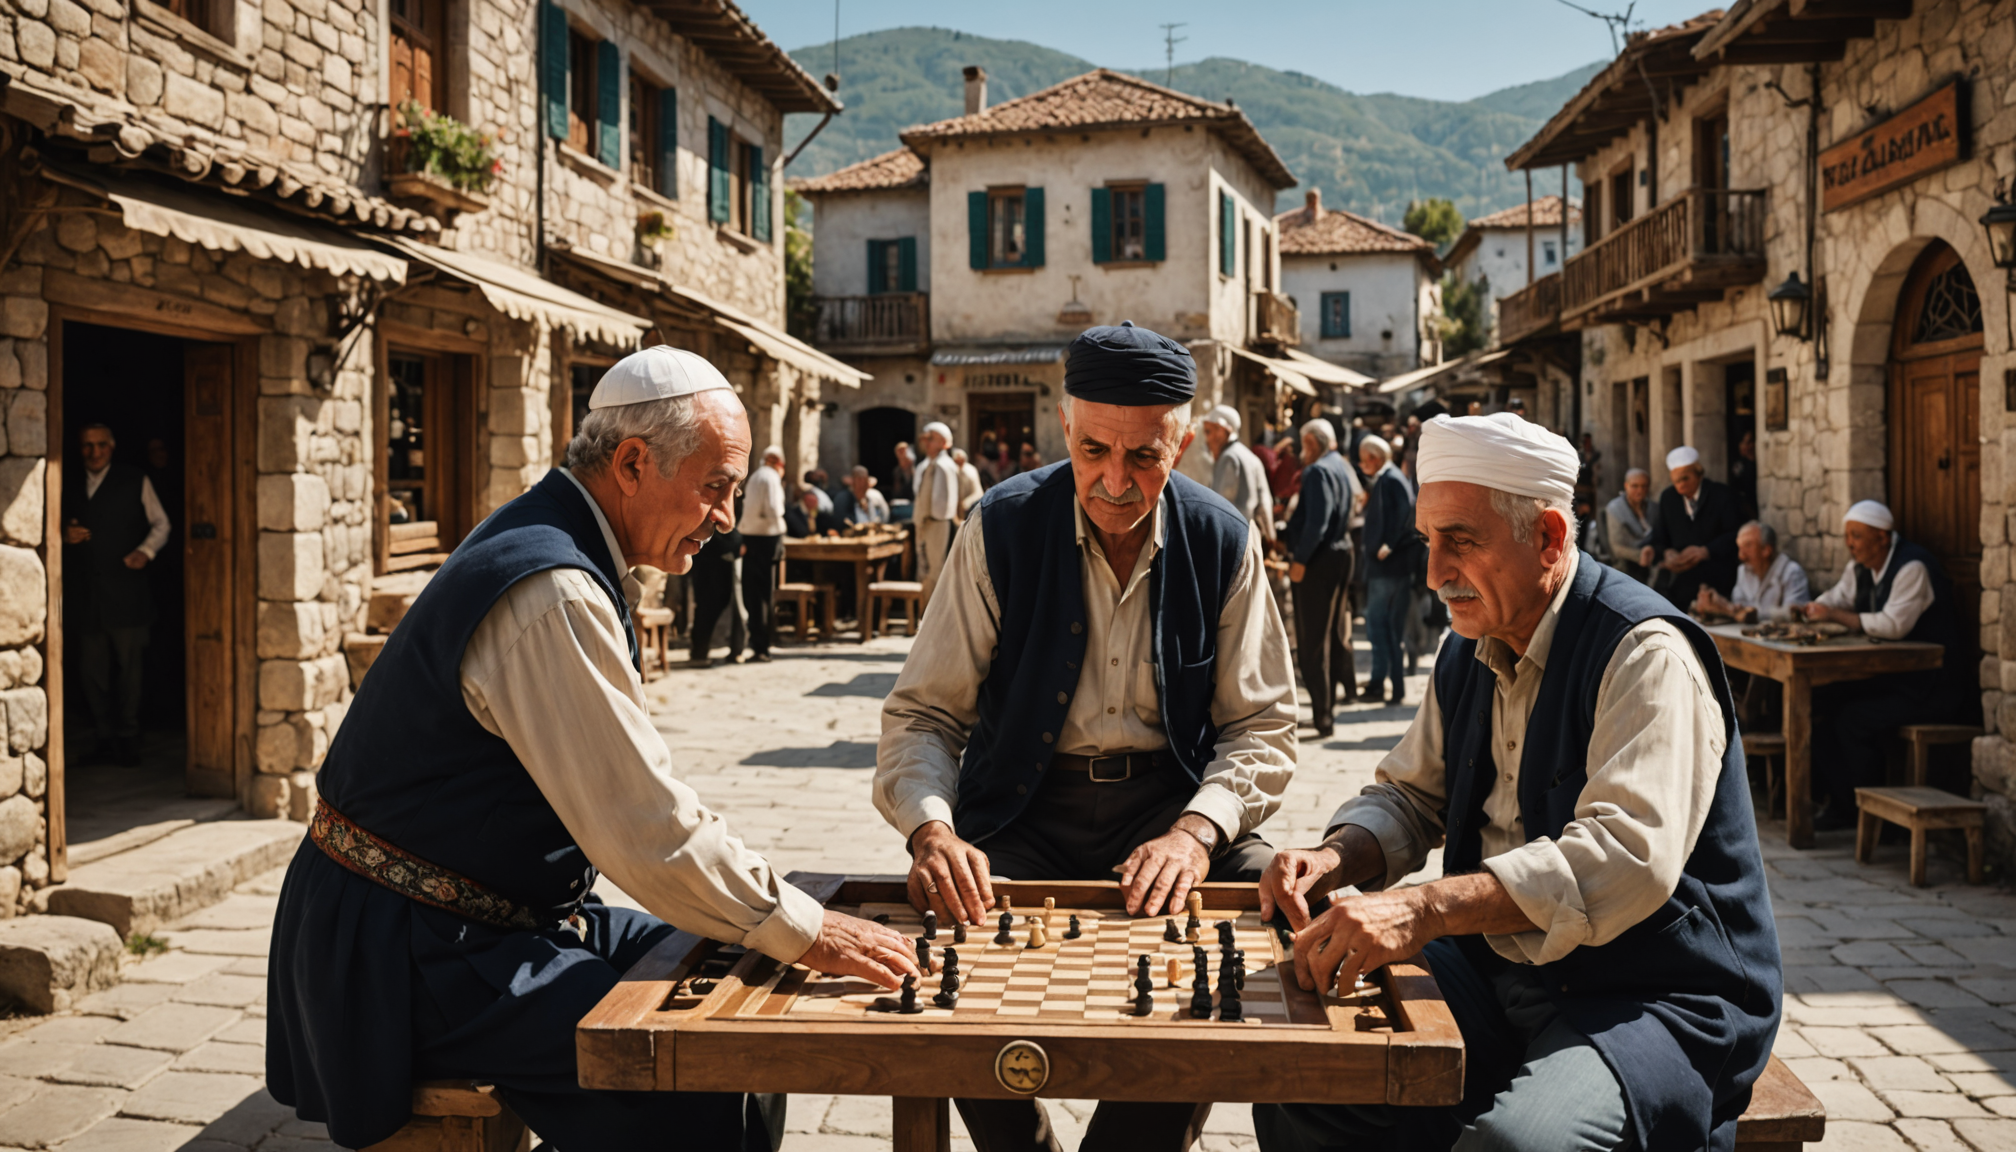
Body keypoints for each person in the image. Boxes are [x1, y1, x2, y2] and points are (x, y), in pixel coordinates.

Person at [268, 346, 917, 1151]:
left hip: (493, 917)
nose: (725, 515)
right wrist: (810, 927)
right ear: (634, 462)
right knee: (691, 1082)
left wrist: (773, 928)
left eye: (733, 491)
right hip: (412, 948)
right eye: (713, 487)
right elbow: (647, 831)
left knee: (742, 985)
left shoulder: (557, 537)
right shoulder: (555, 592)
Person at [1254, 412, 1780, 1152]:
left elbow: (1624, 857)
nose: (1435, 572)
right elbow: (1411, 794)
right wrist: (1338, 853)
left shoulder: (1643, 653)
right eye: (1429, 541)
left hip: (1651, 992)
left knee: (1514, 1147)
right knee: (1305, 1077)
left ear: (1551, 539)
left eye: (1460, 542)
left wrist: (1425, 908)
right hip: (1496, 966)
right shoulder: (1469, 644)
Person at [878, 322, 1294, 1152]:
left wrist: (1196, 831)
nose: (1114, 480)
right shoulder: (998, 526)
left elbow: (1263, 726)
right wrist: (932, 828)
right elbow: (924, 714)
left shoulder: (1222, 539)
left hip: (1170, 813)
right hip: (1022, 813)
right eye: (1095, 448)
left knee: (1279, 913)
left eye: (1145, 457)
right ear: (1064, 429)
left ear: (1184, 443)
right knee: (944, 950)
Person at [1803, 500, 1973, 831]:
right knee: (1818, 703)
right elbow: (1835, 597)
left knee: (1853, 720)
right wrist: (1812, 609)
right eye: (1847, 536)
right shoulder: (1860, 567)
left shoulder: (1913, 567)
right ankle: (1841, 801)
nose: (1850, 543)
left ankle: (1873, 819)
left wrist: (1835, 616)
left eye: (1857, 536)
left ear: (1882, 537)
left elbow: (1893, 625)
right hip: (1894, 679)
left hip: (1931, 687)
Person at [64, 423, 171, 766]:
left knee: (130, 671)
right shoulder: (66, 483)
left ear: (111, 447)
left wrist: (146, 552)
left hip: (127, 595)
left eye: (100, 445)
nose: (94, 453)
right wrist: (64, 534)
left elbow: (161, 524)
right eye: (87, 446)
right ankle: (103, 737)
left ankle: (128, 736)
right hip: (86, 598)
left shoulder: (134, 479)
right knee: (91, 671)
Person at [1285, 418, 1360, 737]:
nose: (1303, 451)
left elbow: (1317, 521)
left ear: (1313, 443)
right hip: (1342, 553)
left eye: (1305, 444)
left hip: (1320, 559)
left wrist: (1300, 559)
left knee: (1312, 640)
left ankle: (1323, 716)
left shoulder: (1317, 470)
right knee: (1329, 633)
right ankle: (1325, 711)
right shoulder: (1341, 465)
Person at [1641, 446, 1743, 610]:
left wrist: (1705, 551)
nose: (1680, 485)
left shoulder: (1721, 495)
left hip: (1717, 576)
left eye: (1685, 479)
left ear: (1698, 474)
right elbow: (1660, 537)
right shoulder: (1669, 498)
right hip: (1681, 581)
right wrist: (1666, 552)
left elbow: (1735, 534)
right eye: (1676, 481)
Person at [1357, 435, 1418, 706]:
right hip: (1388, 568)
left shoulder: (1390, 478)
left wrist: (1388, 545)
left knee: (1381, 628)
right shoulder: (1389, 478)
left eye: (1363, 459)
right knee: (1384, 628)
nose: (1361, 464)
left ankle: (1384, 685)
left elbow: (1406, 515)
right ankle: (1384, 684)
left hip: (1389, 569)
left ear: (1375, 458)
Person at [1696, 520, 1809, 623]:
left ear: (1766, 550)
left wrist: (1751, 614)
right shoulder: (1743, 571)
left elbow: (1794, 613)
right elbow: (1738, 608)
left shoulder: (1792, 572)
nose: (1741, 556)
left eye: (1748, 546)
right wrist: (1720, 605)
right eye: (1739, 547)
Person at [737, 445, 787, 662]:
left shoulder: (756, 476)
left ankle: (760, 643)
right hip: (766, 539)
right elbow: (775, 509)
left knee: (754, 594)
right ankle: (763, 645)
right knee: (765, 594)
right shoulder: (771, 478)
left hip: (752, 539)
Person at [1201, 405, 1274, 541]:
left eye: (1208, 431)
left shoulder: (1229, 457)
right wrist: (1270, 537)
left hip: (1232, 536)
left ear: (1221, 431)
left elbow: (1220, 505)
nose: (1207, 439)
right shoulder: (1248, 455)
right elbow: (1265, 501)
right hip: (1249, 535)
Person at [685, 496, 742, 669]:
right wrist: (737, 545)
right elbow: (714, 536)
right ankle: (699, 652)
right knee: (707, 608)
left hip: (714, 564)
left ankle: (699, 651)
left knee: (709, 607)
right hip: (709, 566)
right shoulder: (710, 508)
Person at [912, 421, 960, 606]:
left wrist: (928, 520)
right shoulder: (931, 464)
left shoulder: (942, 465)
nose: (927, 443)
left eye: (931, 439)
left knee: (934, 571)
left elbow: (940, 504)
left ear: (942, 442)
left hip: (936, 523)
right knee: (927, 570)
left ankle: (934, 614)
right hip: (929, 523)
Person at [1603, 468, 1658, 583]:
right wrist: (1640, 555)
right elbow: (1616, 547)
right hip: (1627, 564)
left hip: (1653, 559)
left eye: (1644, 486)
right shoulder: (1615, 509)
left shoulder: (1654, 508)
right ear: (1626, 486)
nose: (1640, 491)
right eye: (1635, 486)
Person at [1730, 431, 1759, 519]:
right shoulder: (1739, 466)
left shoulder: (1759, 464)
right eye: (1744, 442)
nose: (1747, 446)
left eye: (1749, 442)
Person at [952, 446, 985, 519]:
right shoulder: (953, 471)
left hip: (969, 509)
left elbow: (978, 492)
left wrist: (966, 503)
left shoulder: (971, 471)